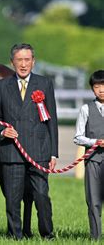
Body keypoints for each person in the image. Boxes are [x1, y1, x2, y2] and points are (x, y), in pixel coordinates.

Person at [0, 43, 58, 240]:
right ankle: (15, 234)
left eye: (27, 60)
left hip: (39, 150)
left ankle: (47, 233)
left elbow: (51, 119)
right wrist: (3, 130)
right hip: (11, 150)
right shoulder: (2, 86)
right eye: (19, 60)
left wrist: (53, 152)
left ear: (33, 62)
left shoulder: (44, 84)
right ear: (12, 62)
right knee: (12, 198)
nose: (23, 64)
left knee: (41, 196)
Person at [73, 69, 104, 240]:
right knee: (93, 201)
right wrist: (95, 142)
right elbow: (77, 137)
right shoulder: (86, 109)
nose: (101, 90)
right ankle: (96, 237)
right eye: (97, 86)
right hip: (93, 160)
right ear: (92, 89)